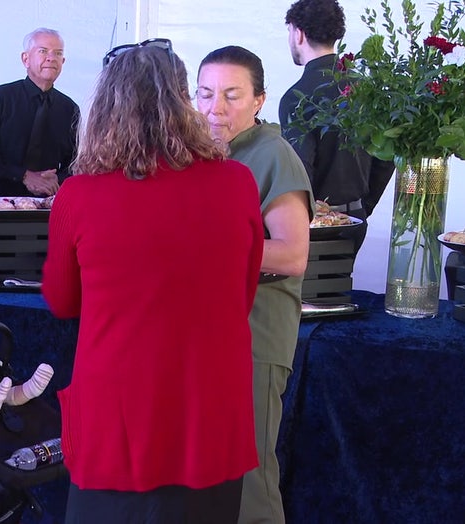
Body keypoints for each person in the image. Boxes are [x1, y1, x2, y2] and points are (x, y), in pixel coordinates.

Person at [42, 39, 265, 523]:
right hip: (210, 405)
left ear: (103, 109)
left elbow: (61, 301)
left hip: (119, 411)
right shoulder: (236, 182)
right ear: (184, 100)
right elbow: (243, 293)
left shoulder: (79, 196)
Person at [196, 46, 315, 524]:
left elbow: (292, 253)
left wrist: (200, 249)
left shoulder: (272, 156)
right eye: (205, 94)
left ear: (260, 100)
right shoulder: (207, 153)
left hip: (256, 336)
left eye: (231, 95)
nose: (215, 108)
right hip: (211, 334)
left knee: (250, 477)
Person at [280, 0, 396, 254]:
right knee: (340, 292)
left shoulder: (297, 97)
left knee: (307, 295)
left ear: (298, 33)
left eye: (289, 32)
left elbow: (300, 172)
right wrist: (362, 207)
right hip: (356, 218)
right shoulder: (369, 90)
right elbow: (386, 158)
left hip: (314, 225)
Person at [0, 27, 80, 198]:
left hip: (47, 206)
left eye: (58, 53)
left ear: (63, 61)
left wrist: (56, 179)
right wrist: (24, 175)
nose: (51, 58)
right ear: (25, 59)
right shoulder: (0, 98)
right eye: (43, 51)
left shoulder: (69, 108)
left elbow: (76, 162)